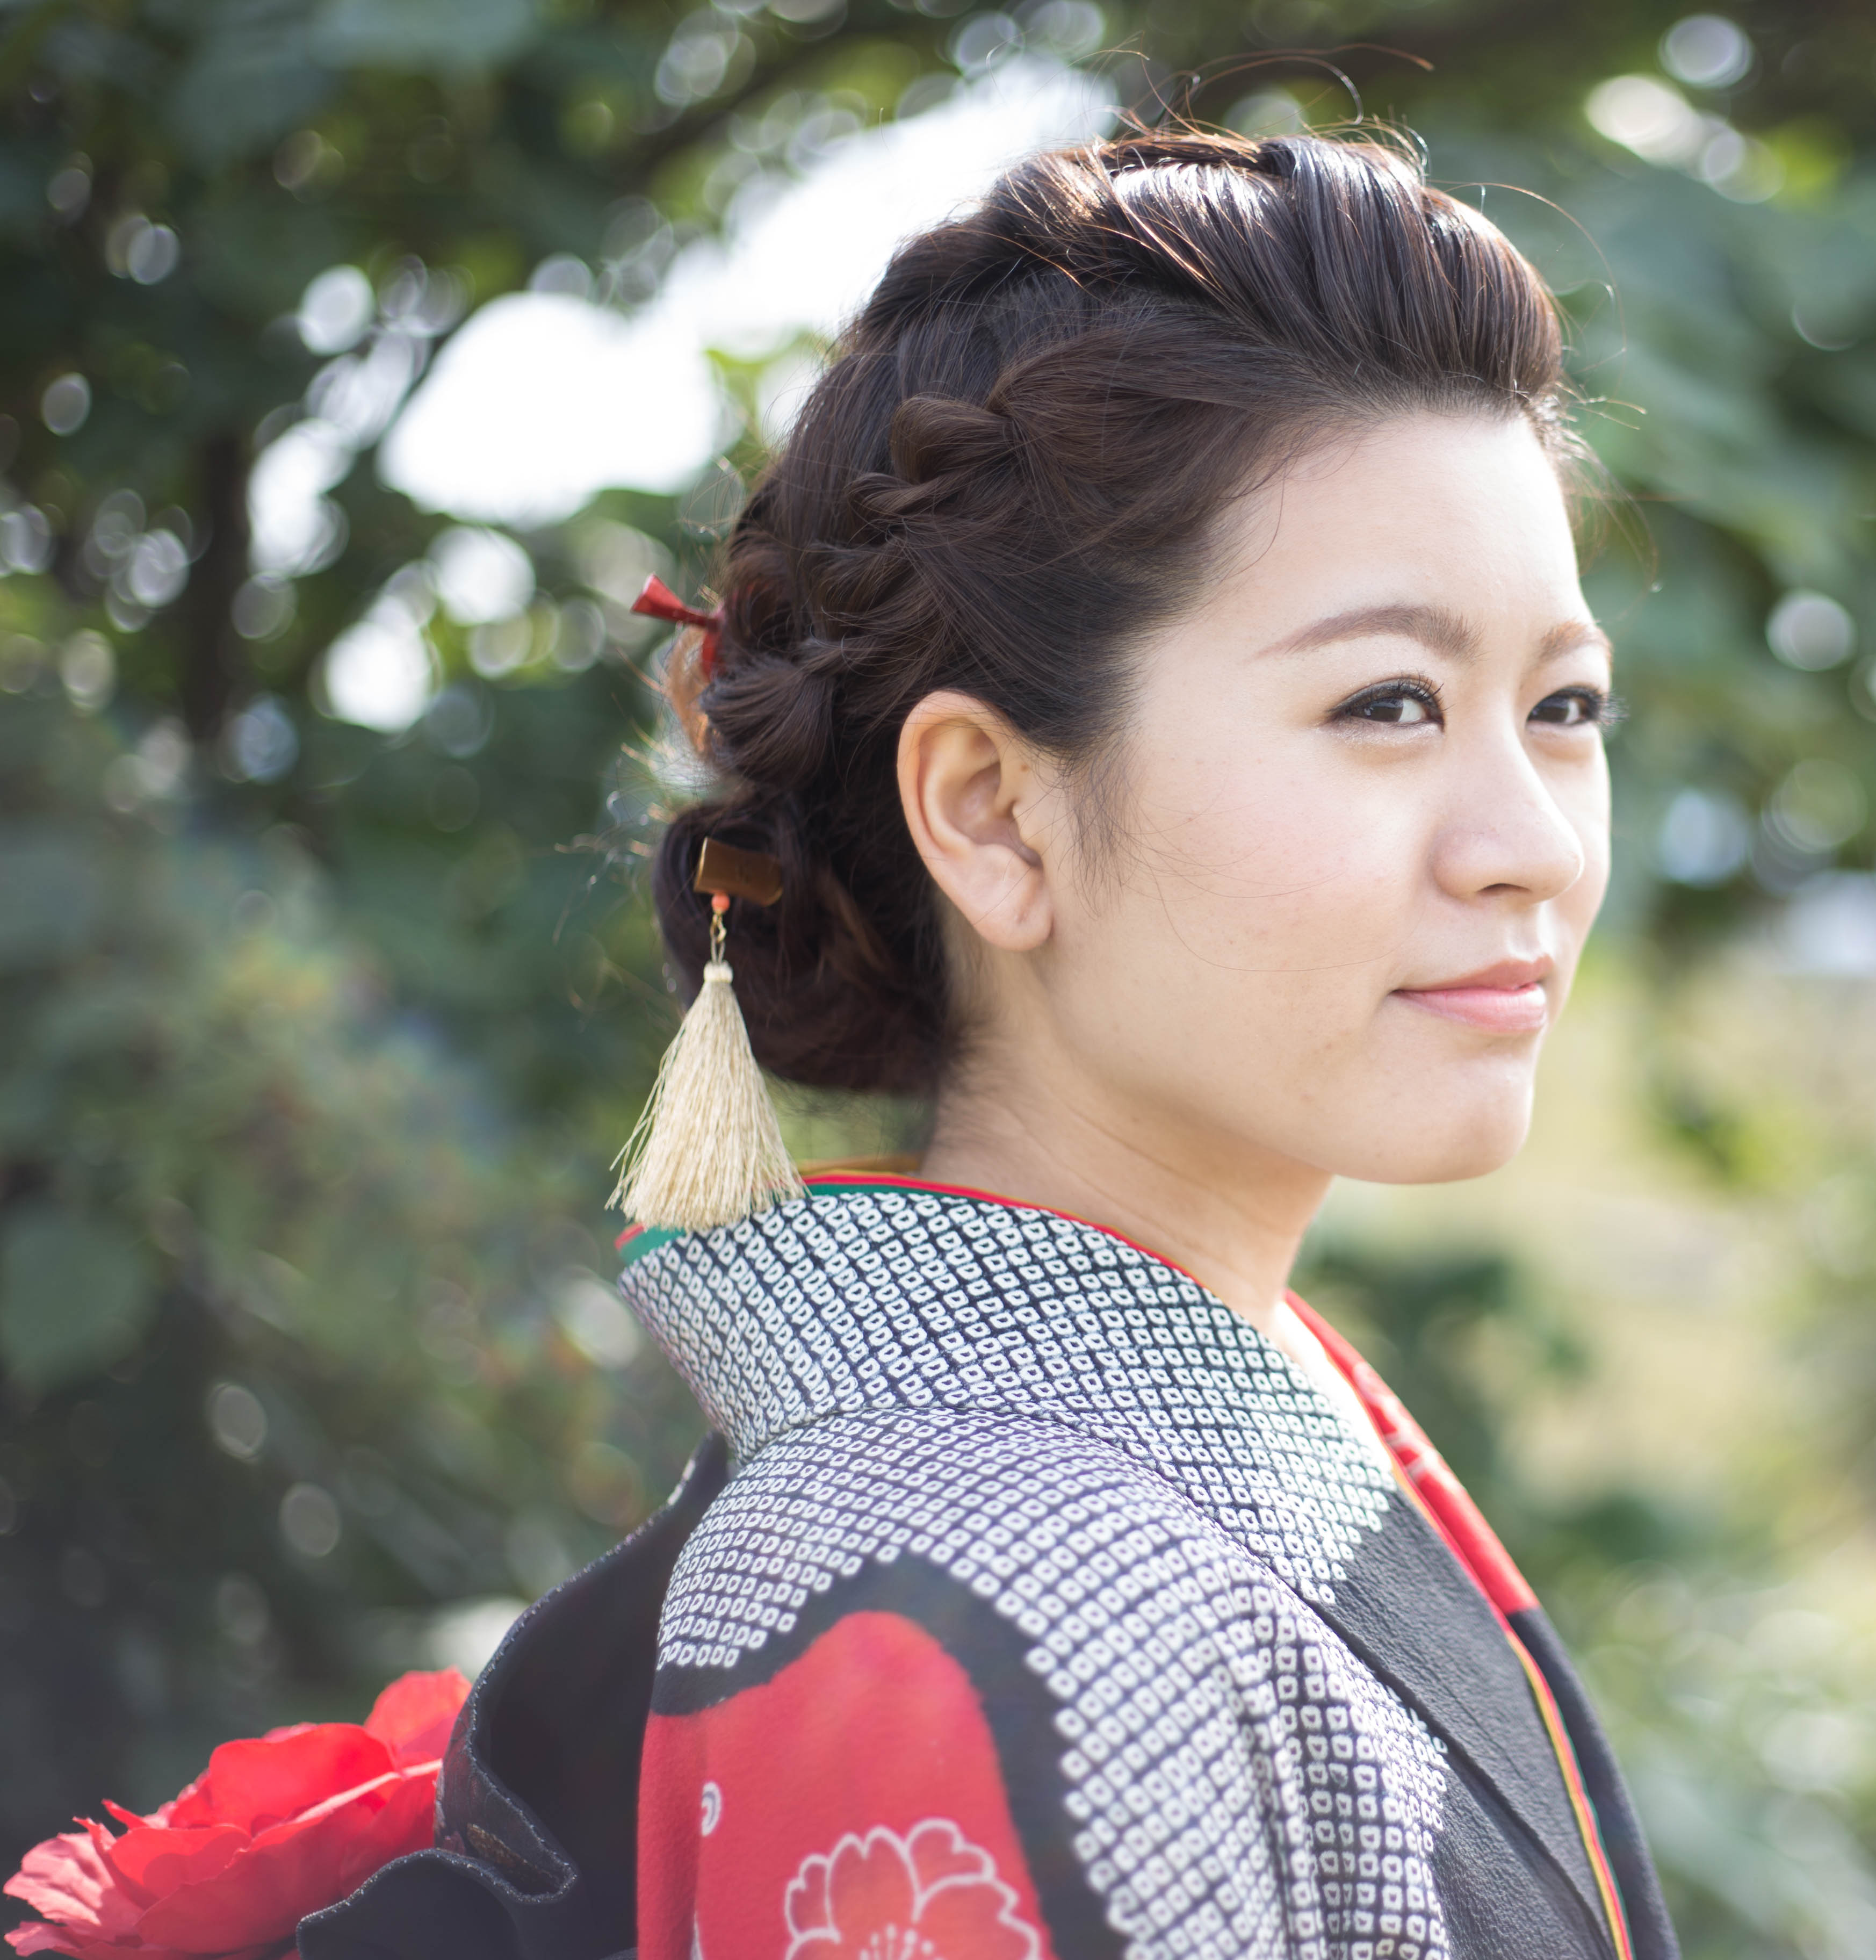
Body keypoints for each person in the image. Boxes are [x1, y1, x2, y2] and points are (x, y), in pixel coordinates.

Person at [299, 128, 1673, 1960]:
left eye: (1564, 705)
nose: (1534, 845)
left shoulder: (1167, 1461)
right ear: (995, 814)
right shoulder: (985, 1598)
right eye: (1388, 703)